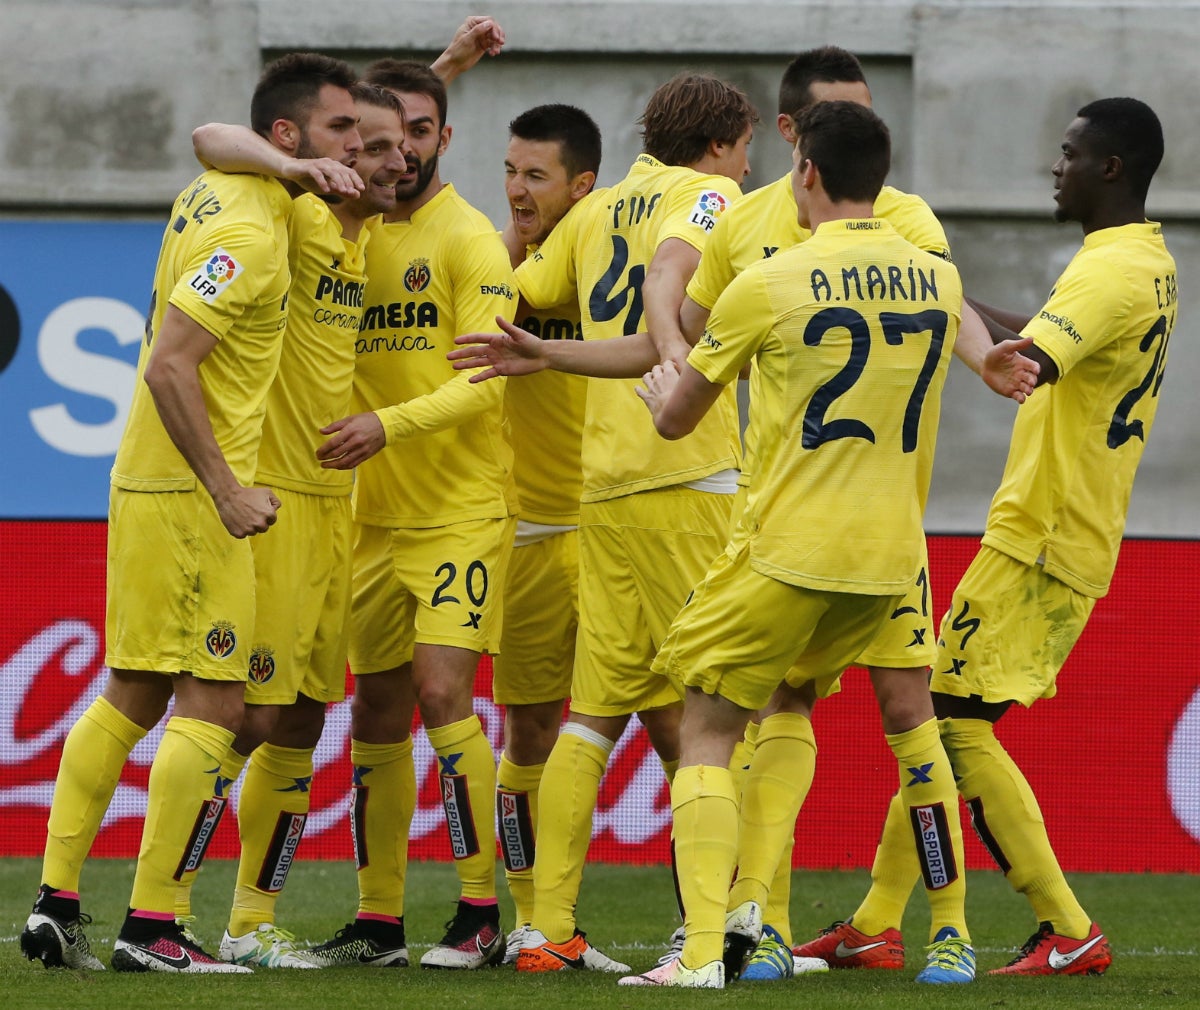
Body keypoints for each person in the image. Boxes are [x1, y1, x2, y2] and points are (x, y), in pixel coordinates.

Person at [807, 96, 1173, 978]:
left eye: (1070, 153)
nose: (1057, 166)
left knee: (949, 724)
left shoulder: (1108, 274)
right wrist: (950, 291)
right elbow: (1034, 338)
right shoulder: (1142, 261)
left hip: (1044, 536)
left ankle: (1066, 924)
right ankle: (875, 921)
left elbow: (1020, 364)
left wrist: (924, 288)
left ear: (1110, 169)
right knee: (936, 721)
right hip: (1063, 530)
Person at [681, 45, 1024, 982]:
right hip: (813, 519)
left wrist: (982, 355)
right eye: (842, 113)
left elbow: (950, 315)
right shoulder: (743, 225)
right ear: (794, 133)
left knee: (899, 712)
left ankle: (944, 925)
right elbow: (684, 323)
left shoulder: (900, 217)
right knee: (791, 704)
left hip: (825, 527)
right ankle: (768, 924)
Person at [617, 100, 973, 989]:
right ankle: (932, 934)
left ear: (802, 170)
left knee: (705, 724)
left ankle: (705, 950)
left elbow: (677, 417)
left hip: (785, 548)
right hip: (891, 562)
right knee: (829, 707)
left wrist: (663, 383)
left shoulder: (770, 282)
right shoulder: (939, 280)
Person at [19, 52, 363, 974]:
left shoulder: (220, 182)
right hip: (194, 491)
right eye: (339, 133)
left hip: (144, 482)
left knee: (131, 690)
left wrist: (299, 168)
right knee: (214, 702)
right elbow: (174, 362)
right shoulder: (252, 232)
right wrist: (225, 488)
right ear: (287, 138)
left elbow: (213, 131)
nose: (356, 152)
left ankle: (54, 902)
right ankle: (154, 926)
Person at [452, 71, 757, 974]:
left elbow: (522, 277)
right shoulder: (710, 194)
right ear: (719, 142)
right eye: (744, 147)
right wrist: (676, 359)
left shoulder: (595, 212)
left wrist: (540, 345)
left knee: (592, 719)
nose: (747, 165)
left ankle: (545, 925)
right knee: (710, 714)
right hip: (688, 477)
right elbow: (672, 274)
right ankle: (719, 928)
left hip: (604, 492)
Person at [183, 84, 409, 969]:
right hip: (272, 494)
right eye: (363, 144)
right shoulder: (298, 213)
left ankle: (249, 921)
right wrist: (292, 163)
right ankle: (156, 909)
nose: (386, 159)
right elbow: (208, 132)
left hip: (335, 511)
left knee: (305, 715)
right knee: (249, 713)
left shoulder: (369, 234)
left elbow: (391, 124)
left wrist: (447, 69)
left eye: (398, 148)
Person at [307, 59, 518, 970]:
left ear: (442, 138)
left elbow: (483, 383)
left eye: (422, 134)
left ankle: (478, 912)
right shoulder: (343, 231)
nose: (403, 154)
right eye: (388, 139)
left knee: (443, 695)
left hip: (459, 510)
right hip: (370, 517)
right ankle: (379, 916)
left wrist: (383, 425)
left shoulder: (470, 239)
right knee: (377, 712)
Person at [489, 104, 603, 965]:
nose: (519, 190)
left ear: (583, 187)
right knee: (528, 729)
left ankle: (700, 923)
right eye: (512, 171)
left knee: (680, 726)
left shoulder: (619, 267)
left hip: (616, 526)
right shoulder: (495, 266)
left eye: (536, 175)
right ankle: (530, 918)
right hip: (527, 531)